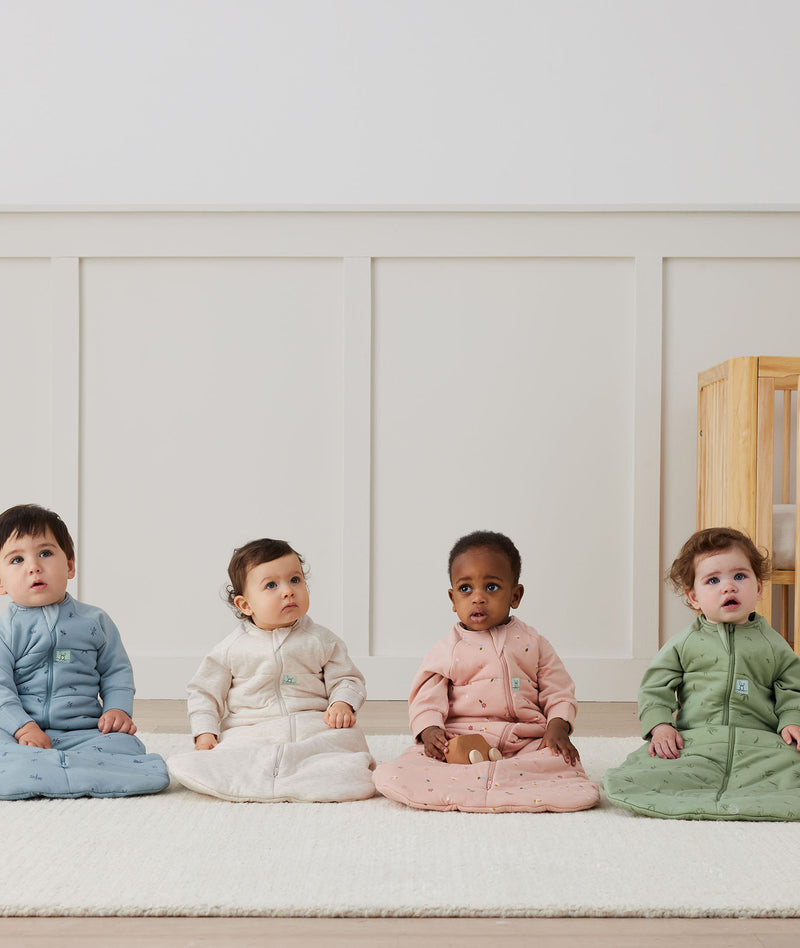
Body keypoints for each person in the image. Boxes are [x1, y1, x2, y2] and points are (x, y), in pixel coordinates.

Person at [372, 530, 599, 812]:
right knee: (402, 769)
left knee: (560, 761)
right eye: (466, 589)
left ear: (515, 595)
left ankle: (497, 781)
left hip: (525, 741)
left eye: (491, 587)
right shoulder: (447, 650)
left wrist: (557, 727)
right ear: (453, 599)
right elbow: (426, 699)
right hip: (460, 742)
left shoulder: (534, 643)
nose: (477, 598)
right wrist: (430, 732)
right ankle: (483, 782)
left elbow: (559, 691)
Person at [604, 526, 800, 820]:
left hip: (759, 742)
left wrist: (792, 720)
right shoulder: (685, 642)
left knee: (789, 767)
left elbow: (792, 686)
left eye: (740, 576)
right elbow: (655, 686)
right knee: (653, 767)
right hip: (696, 740)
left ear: (758, 588)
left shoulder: (772, 643)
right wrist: (660, 726)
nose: (728, 587)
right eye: (713, 580)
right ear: (694, 597)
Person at [167, 538, 375, 802]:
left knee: (347, 741)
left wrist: (342, 704)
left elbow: (347, 678)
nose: (288, 591)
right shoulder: (231, 649)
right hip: (252, 728)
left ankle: (311, 773)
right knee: (229, 753)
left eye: (295, 580)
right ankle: (267, 775)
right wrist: (205, 732)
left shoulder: (322, 640)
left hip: (313, 724)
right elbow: (204, 692)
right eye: (271, 585)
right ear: (245, 605)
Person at [0, 503, 169, 798]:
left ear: (69, 566)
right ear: (0, 582)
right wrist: (23, 728)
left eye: (45, 553)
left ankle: (52, 771)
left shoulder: (95, 621)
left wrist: (117, 709)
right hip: (19, 734)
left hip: (85, 731)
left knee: (125, 744)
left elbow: (116, 671)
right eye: (17, 559)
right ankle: (79, 772)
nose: (33, 566)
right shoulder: (5, 628)